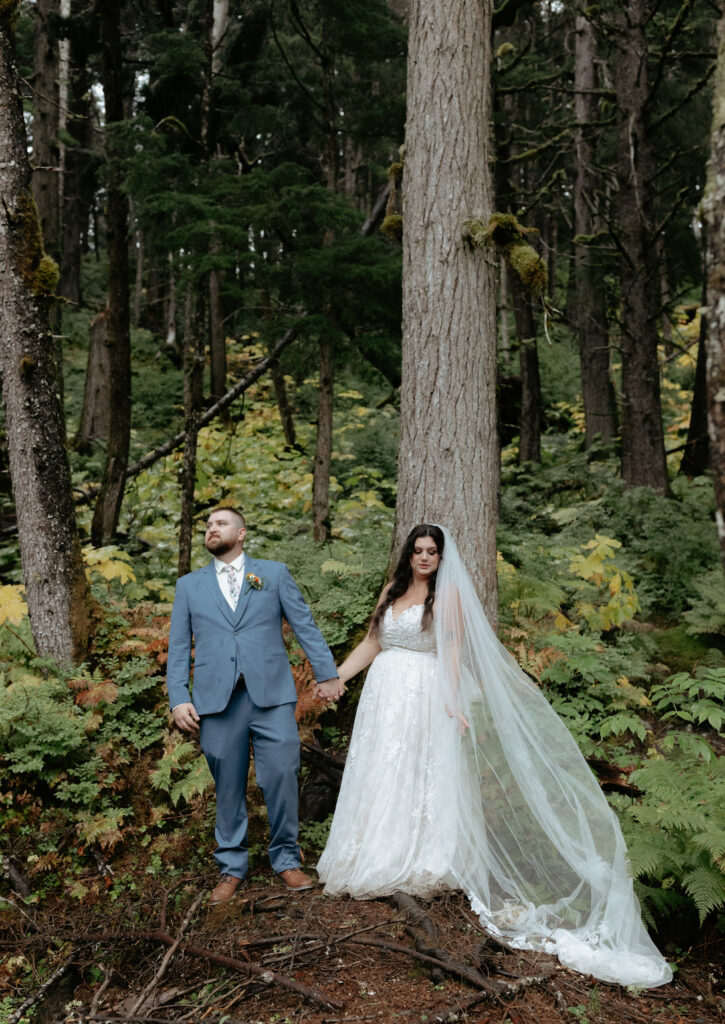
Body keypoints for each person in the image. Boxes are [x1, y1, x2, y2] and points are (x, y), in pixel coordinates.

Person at [317, 524, 672, 988]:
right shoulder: (391, 591)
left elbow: (453, 653)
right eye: (418, 550)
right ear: (408, 555)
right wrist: (336, 677)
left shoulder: (447, 599)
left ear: (442, 559)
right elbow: (373, 642)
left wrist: (452, 702)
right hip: (383, 696)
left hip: (424, 694)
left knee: (418, 775)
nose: (424, 558)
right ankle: (367, 850)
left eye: (432, 552)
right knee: (381, 773)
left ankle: (420, 857)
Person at [167, 507, 342, 905]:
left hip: (271, 696)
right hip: (216, 702)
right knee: (227, 785)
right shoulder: (189, 586)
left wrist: (326, 673)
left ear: (242, 532)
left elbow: (304, 624)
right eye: (208, 525)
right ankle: (231, 867)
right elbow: (178, 647)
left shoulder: (273, 574)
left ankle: (285, 858)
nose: (212, 528)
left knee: (281, 773)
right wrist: (179, 697)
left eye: (221, 523)